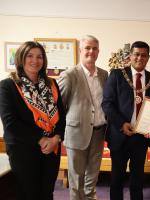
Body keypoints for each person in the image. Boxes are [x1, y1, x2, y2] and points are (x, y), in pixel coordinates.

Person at [0, 41, 65, 200]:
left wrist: (56, 139)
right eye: (30, 56)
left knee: (47, 193)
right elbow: (10, 123)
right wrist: (42, 139)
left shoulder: (52, 84)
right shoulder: (7, 86)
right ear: (21, 58)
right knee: (28, 194)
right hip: (24, 151)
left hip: (51, 149)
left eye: (39, 57)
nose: (35, 61)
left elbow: (62, 116)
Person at [102, 41, 150, 200]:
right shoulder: (116, 75)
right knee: (116, 179)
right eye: (136, 54)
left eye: (143, 55)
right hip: (120, 135)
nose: (139, 58)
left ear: (148, 58)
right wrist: (122, 123)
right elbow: (107, 104)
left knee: (138, 179)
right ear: (130, 56)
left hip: (141, 138)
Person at [58, 35, 108, 200]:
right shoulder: (70, 75)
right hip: (77, 132)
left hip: (99, 132)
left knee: (93, 174)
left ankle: (90, 197)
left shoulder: (104, 74)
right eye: (87, 48)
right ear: (80, 50)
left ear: (98, 52)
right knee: (76, 176)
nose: (91, 51)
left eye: (94, 48)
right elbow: (60, 106)